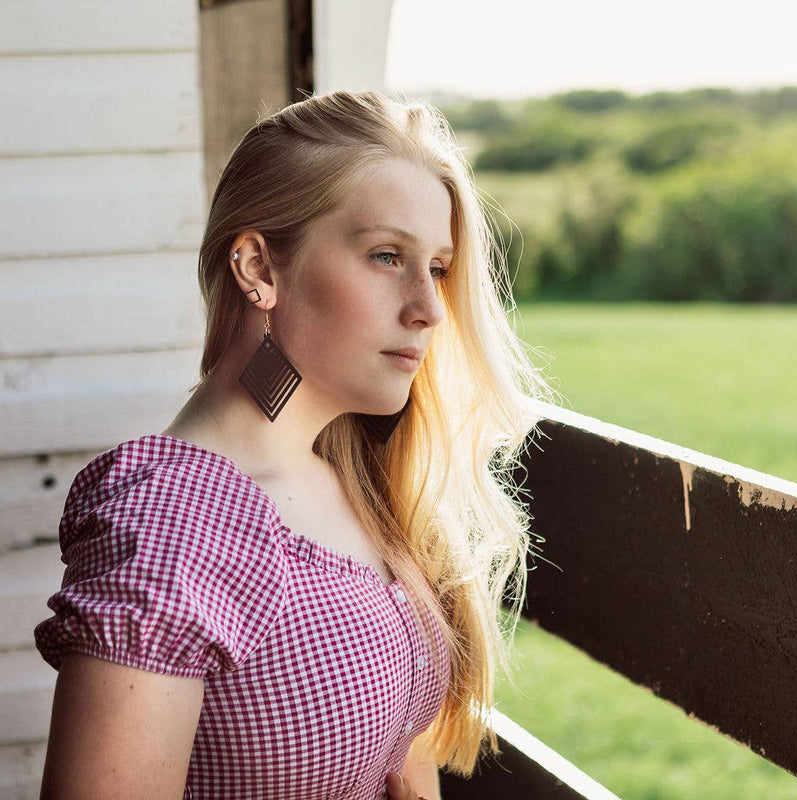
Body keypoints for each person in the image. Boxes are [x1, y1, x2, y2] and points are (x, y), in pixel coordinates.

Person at [33, 90, 552, 800]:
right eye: (385, 255)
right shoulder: (174, 524)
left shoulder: (358, 483)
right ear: (259, 269)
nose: (429, 308)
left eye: (436, 266)